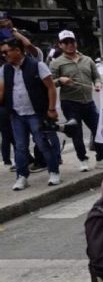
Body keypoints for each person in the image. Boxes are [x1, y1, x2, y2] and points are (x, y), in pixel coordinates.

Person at [50, 30, 103, 172]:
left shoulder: (87, 59)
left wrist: (97, 84)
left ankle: (101, 158)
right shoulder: (56, 63)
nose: (70, 45)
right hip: (70, 102)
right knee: (76, 132)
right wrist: (60, 80)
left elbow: (96, 76)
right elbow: (50, 83)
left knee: (98, 129)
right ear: (60, 45)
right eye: (66, 42)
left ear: (76, 42)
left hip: (88, 102)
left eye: (72, 41)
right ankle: (82, 159)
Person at [0, 37, 61, 190]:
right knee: (20, 146)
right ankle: (22, 176)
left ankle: (53, 171)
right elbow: (2, 91)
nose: (4, 55)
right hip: (16, 114)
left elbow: (51, 87)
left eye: (6, 52)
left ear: (17, 51)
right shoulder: (5, 69)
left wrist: (52, 109)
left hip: (36, 113)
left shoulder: (37, 65)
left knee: (42, 143)